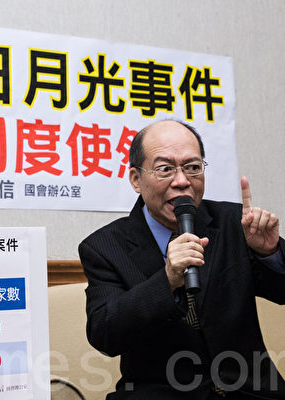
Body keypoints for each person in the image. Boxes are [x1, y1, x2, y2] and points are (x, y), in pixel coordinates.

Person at [78, 120, 285, 399]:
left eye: (192, 167)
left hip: (251, 392)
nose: (182, 181)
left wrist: (269, 253)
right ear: (136, 179)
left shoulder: (235, 224)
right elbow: (105, 335)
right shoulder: (105, 247)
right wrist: (166, 281)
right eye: (165, 169)